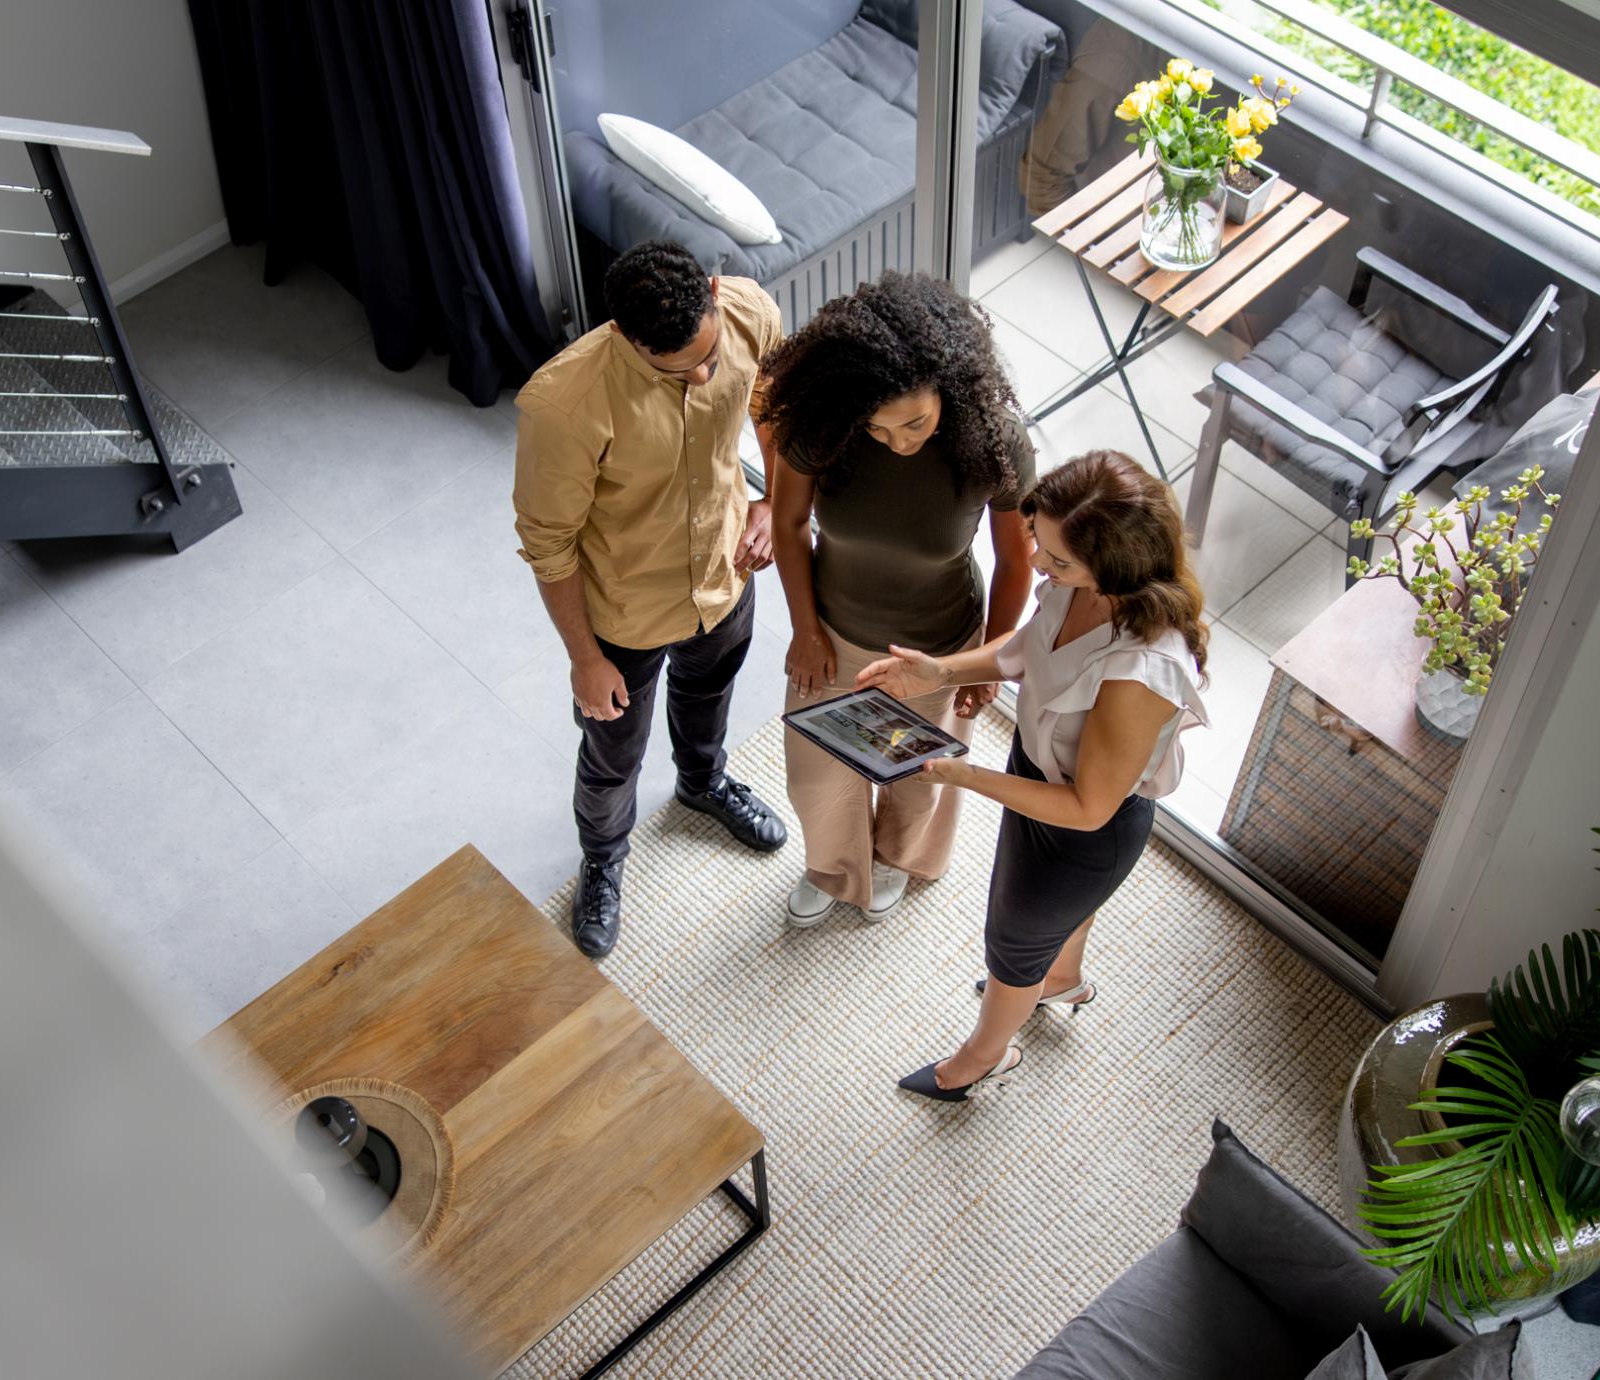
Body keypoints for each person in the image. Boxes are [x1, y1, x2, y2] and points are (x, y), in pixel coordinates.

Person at [855, 450, 1209, 1101]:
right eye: (1040, 548)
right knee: (1047, 930)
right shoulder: (1079, 585)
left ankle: (983, 1057)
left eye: (1057, 560)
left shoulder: (1142, 669)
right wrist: (943, 670)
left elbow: (1087, 808)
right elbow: (1025, 650)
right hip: (1036, 773)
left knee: (1012, 940)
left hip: (1084, 827)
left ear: (1117, 563)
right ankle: (1062, 979)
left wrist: (966, 776)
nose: (1040, 567)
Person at [514, 240, 789, 959]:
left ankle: (703, 784)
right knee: (613, 758)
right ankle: (603, 859)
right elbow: (549, 544)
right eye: (682, 369)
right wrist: (582, 659)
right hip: (625, 615)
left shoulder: (748, 310)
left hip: (725, 578)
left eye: (710, 355)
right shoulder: (564, 406)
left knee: (710, 696)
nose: (705, 374)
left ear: (711, 288)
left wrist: (770, 502)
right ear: (628, 339)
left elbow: (775, 399)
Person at [756, 272, 1036, 927]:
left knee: (914, 773)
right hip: (834, 627)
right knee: (818, 774)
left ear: (950, 385)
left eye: (913, 423)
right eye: (880, 431)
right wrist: (805, 629)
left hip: (939, 644)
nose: (900, 441)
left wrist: (989, 659)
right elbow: (790, 523)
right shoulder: (823, 425)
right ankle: (832, 867)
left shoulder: (995, 443)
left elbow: (1018, 558)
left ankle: (898, 859)